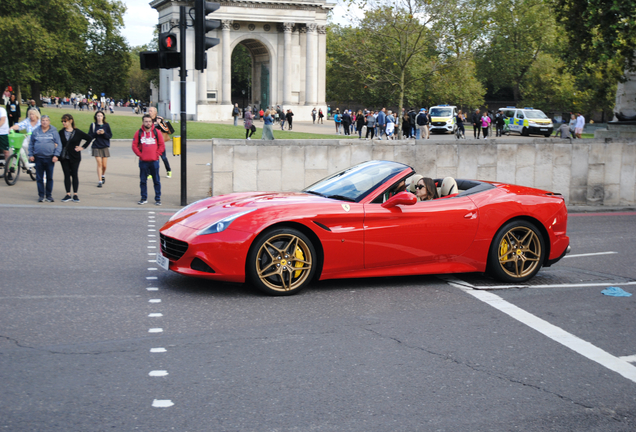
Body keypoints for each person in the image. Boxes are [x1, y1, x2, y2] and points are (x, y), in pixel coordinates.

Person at [58, 114, 93, 203]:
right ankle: (68, 194)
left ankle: (75, 194)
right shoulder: (61, 132)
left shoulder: (77, 132)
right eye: (62, 121)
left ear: (70, 121)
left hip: (75, 157)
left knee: (74, 174)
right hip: (64, 157)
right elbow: (57, 142)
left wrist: (82, 147)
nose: (63, 123)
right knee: (66, 175)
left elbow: (89, 138)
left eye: (65, 121)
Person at [132, 114, 165, 205]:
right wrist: (140, 155)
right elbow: (134, 145)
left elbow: (162, 145)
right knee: (143, 180)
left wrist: (157, 154)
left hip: (154, 161)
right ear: (143, 122)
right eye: (146, 121)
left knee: (156, 180)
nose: (148, 123)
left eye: (149, 121)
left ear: (152, 122)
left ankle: (158, 198)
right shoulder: (138, 133)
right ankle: (143, 198)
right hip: (143, 161)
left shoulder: (157, 132)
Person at [28, 115, 62, 202]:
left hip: (50, 158)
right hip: (38, 158)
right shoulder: (36, 131)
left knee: (49, 177)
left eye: (46, 120)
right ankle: (41, 195)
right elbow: (31, 144)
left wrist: (56, 155)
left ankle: (49, 195)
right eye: (43, 120)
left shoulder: (53, 132)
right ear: (40, 122)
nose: (44, 122)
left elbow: (59, 144)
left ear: (49, 122)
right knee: (39, 178)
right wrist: (30, 154)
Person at [10, 108, 41, 174]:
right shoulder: (28, 121)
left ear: (36, 115)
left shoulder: (40, 122)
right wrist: (12, 128)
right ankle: (24, 161)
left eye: (33, 114)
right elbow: (20, 125)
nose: (31, 115)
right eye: (30, 114)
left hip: (38, 141)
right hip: (28, 139)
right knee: (20, 145)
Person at [88, 111, 113, 187]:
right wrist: (96, 133)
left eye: (101, 116)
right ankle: (99, 181)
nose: (99, 117)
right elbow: (89, 136)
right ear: (96, 117)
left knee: (104, 165)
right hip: (96, 146)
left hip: (104, 146)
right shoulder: (93, 125)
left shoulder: (106, 125)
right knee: (99, 163)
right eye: (98, 116)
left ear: (103, 117)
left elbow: (110, 136)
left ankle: (103, 175)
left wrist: (104, 133)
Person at [148, 106, 172, 178]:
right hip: (151, 142)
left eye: (151, 111)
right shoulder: (147, 119)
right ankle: (150, 173)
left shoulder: (159, 119)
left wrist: (159, 124)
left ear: (155, 112)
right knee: (150, 158)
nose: (149, 112)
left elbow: (166, 129)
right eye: (149, 111)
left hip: (160, 142)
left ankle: (169, 170)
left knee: (163, 157)